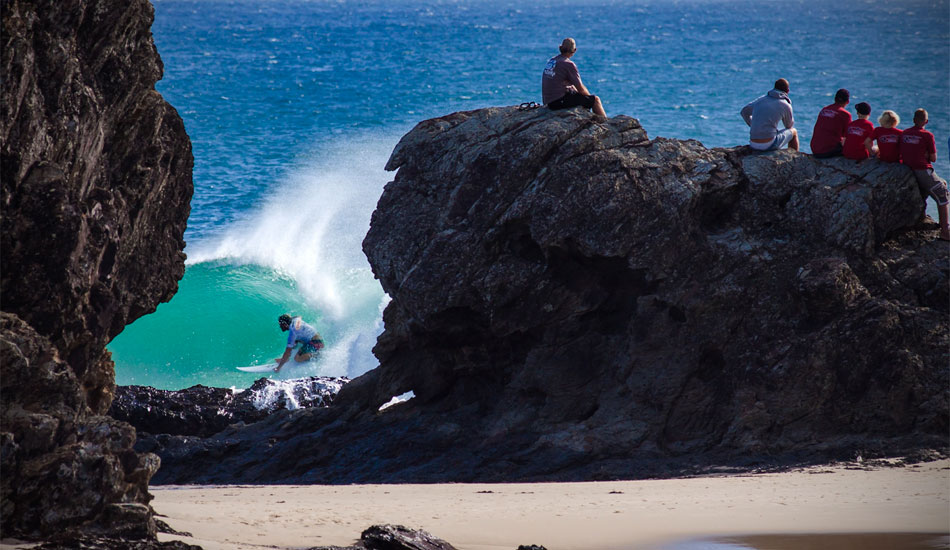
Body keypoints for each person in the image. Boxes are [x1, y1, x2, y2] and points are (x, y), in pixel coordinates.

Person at [900, 109, 950, 241]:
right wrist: (926, 154)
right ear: (926, 121)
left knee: (940, 183)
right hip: (922, 170)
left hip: (907, 170)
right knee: (943, 194)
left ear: (913, 120)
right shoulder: (927, 135)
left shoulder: (904, 133)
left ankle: (922, 216)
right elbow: (933, 158)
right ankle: (945, 231)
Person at [541, 38, 606, 117]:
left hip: (548, 101)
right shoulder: (568, 64)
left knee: (574, 90)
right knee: (595, 100)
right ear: (574, 50)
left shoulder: (552, 61)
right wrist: (589, 98)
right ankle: (605, 125)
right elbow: (580, 88)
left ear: (560, 48)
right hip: (557, 102)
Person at [740, 78, 798, 151]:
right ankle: (793, 157)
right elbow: (789, 126)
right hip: (769, 145)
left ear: (774, 88)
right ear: (788, 91)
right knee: (794, 131)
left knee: (774, 131)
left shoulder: (761, 100)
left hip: (753, 144)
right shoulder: (785, 104)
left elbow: (744, 111)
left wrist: (753, 125)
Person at [811, 88, 852, 158]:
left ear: (835, 99)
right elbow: (849, 136)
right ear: (847, 101)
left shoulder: (824, 110)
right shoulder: (845, 114)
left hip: (815, 149)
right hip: (828, 151)